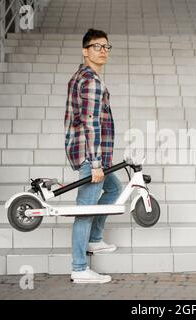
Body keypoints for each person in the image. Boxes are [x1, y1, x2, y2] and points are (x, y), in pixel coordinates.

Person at [64, 28, 121, 284]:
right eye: (97, 46)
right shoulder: (90, 82)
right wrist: (96, 163)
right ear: (85, 50)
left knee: (114, 188)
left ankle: (95, 240)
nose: (103, 51)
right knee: (85, 209)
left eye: (106, 47)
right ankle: (79, 268)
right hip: (91, 156)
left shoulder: (81, 76)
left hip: (91, 154)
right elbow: (90, 123)